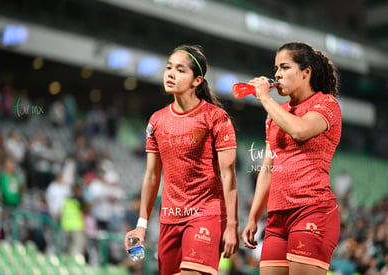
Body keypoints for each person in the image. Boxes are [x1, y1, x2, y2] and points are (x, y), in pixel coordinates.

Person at [124, 44, 239, 275]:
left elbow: (228, 174)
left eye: (180, 69)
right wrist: (141, 225)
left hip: (205, 215)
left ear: (197, 80)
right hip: (169, 220)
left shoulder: (216, 117)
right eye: (168, 68)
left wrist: (232, 225)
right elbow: (152, 176)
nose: (170, 74)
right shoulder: (156, 121)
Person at [241, 41, 342, 275]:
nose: (277, 74)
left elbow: (300, 130)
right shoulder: (276, 113)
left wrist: (266, 99)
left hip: (312, 210)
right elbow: (268, 168)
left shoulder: (326, 104)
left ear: (306, 72)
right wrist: (253, 217)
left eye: (285, 67)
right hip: (277, 219)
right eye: (276, 68)